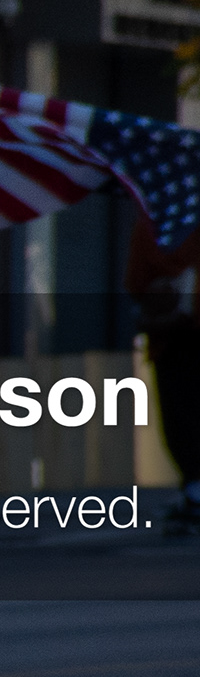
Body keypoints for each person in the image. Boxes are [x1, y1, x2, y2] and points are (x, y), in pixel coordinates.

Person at [132, 215, 200, 536]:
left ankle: (195, 492)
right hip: (176, 334)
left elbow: (134, 279)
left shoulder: (159, 216)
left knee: (182, 418)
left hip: (174, 337)